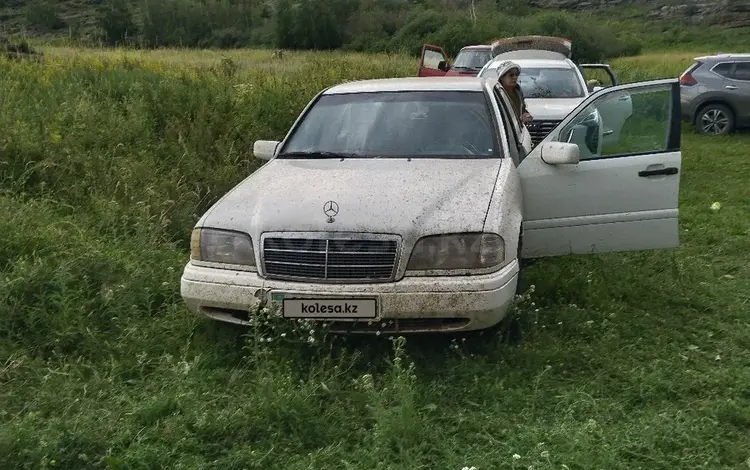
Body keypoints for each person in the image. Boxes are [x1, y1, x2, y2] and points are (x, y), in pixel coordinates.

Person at [495, 61, 533, 125]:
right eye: (511, 75)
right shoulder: (497, 94)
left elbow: (522, 110)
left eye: (516, 74)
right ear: (502, 78)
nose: (515, 77)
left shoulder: (518, 92)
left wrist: (526, 115)